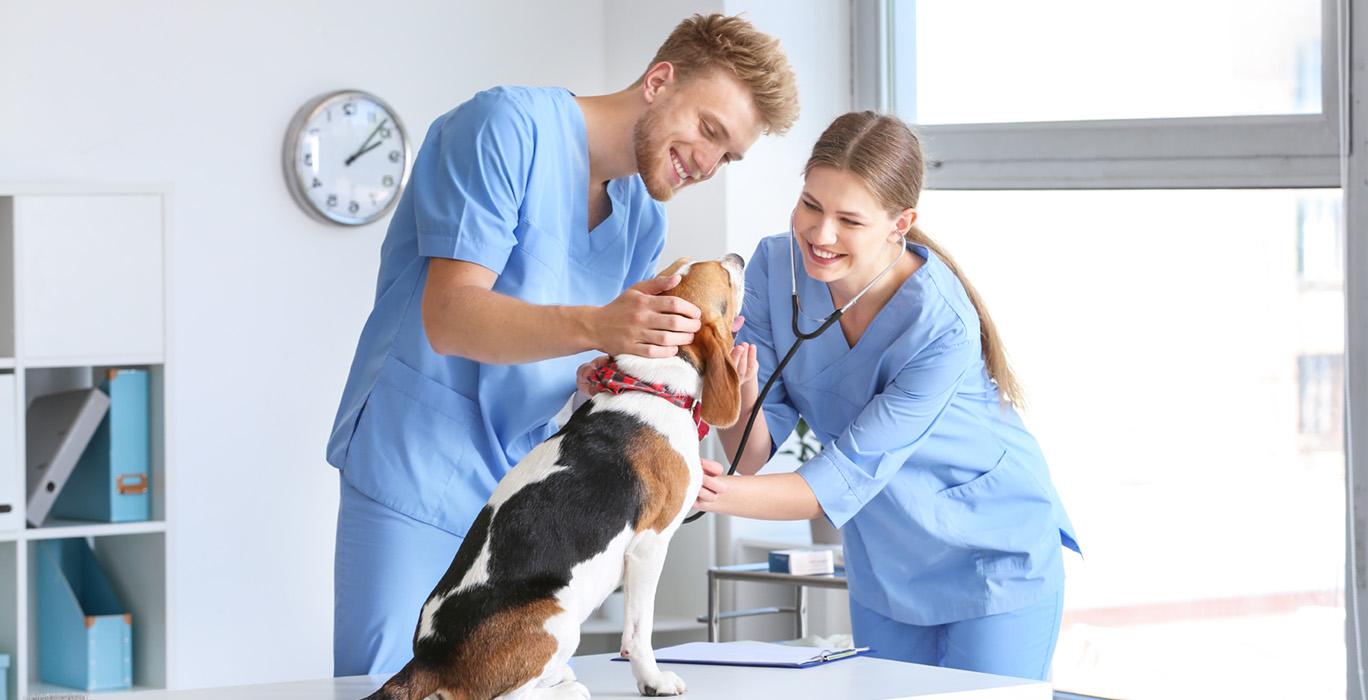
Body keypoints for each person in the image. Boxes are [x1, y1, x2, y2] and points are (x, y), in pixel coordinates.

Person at [325, 13, 799, 675]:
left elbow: (588, 353)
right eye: (709, 131)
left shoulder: (641, 217)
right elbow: (451, 316)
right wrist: (600, 328)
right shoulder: (503, 129)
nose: (708, 163)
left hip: (526, 491)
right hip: (418, 467)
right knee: (390, 686)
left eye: (728, 156)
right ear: (659, 81)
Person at [693, 112, 1080, 681]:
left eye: (850, 220)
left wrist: (698, 490)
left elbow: (843, 476)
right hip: (884, 559)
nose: (821, 235)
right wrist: (744, 390)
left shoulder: (939, 323)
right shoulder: (777, 266)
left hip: (992, 553)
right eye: (811, 206)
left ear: (901, 223)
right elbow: (749, 453)